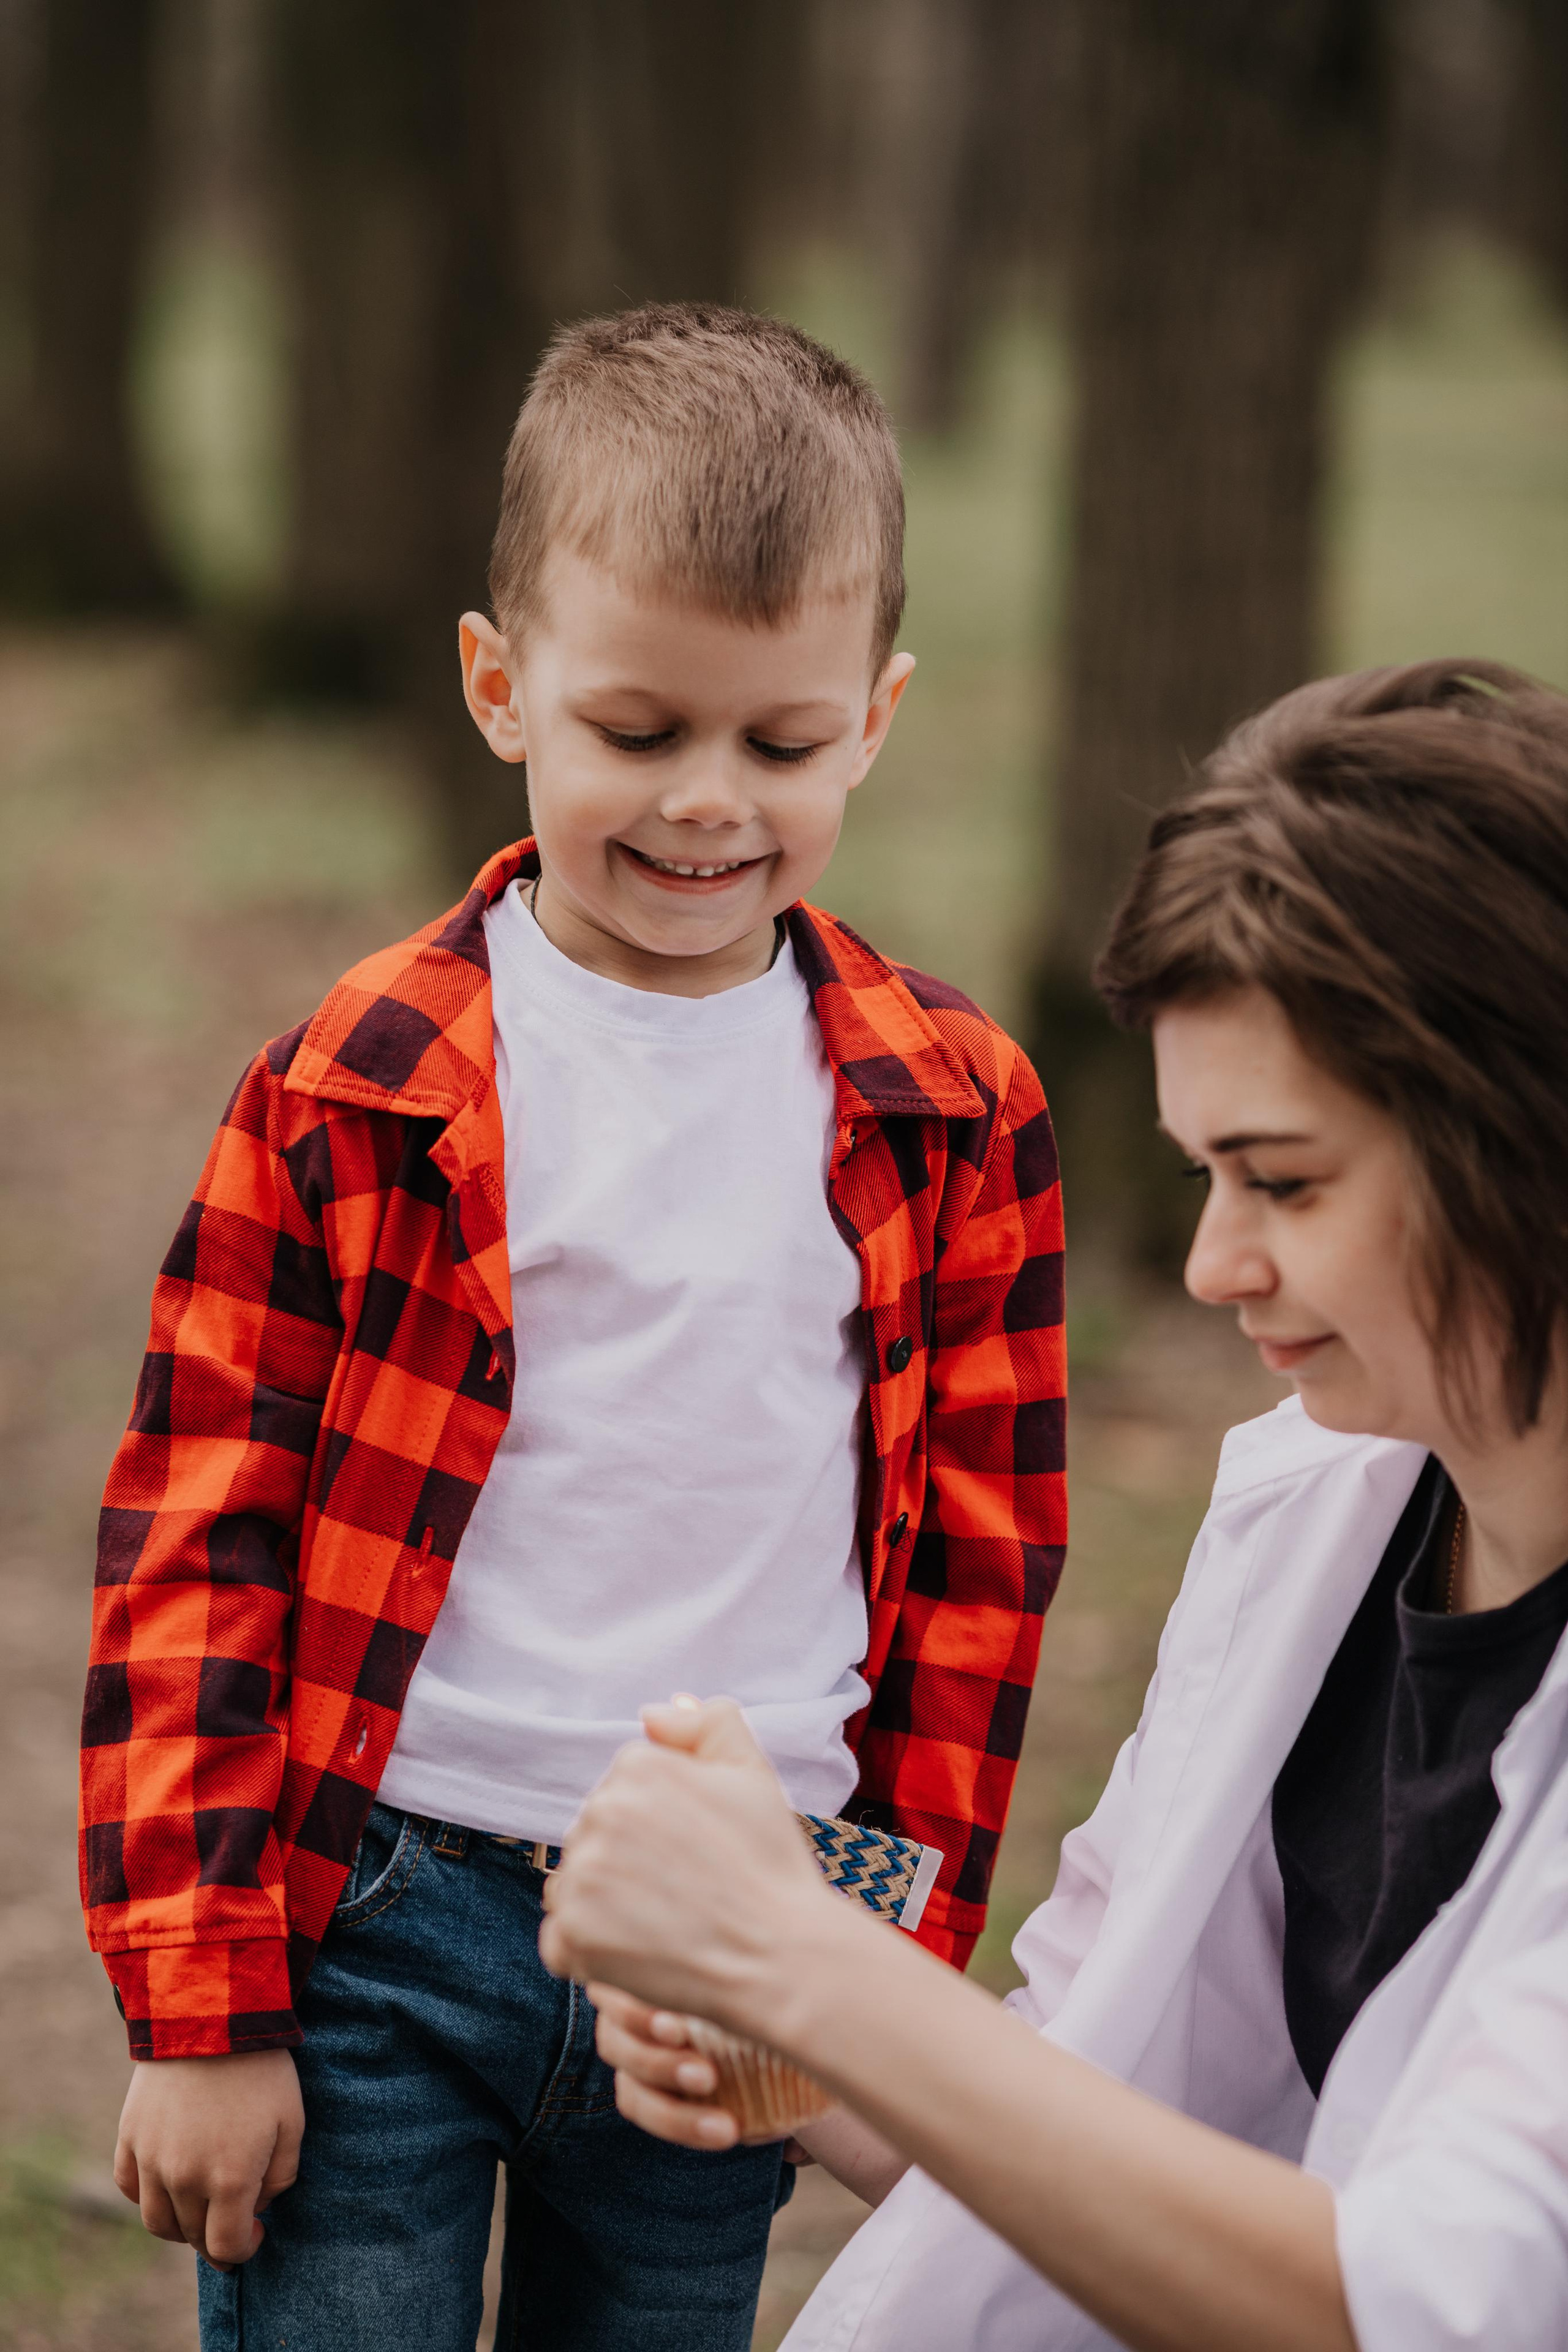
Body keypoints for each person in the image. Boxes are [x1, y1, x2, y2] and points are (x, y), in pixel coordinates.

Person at [82, 303, 1067, 2352]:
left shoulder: (953, 1111)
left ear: (876, 719)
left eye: (781, 746)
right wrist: (202, 2007)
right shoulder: (359, 1080)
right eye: (638, 731)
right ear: (499, 685)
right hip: (378, 1917)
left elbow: (980, 1583)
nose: (709, 802)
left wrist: (878, 1979)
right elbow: (198, 1538)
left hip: (736, 1931)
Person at [542, 659, 1568, 2352]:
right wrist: (781, 2027)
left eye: (1287, 1181)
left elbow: (1427, 2307)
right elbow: (1090, 2098)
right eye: (1206, 1175)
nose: (1216, 1265)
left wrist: (818, 1969)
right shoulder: (1322, 1507)